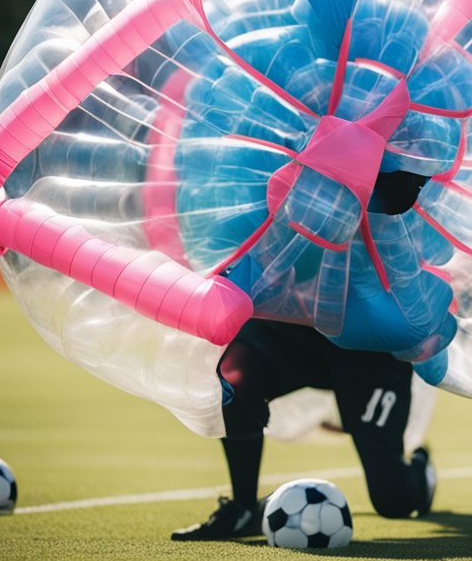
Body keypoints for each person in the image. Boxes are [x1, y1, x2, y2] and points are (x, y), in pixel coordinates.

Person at [171, 171, 436, 541]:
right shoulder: (280, 143)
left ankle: (420, 471)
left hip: (369, 341)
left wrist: (382, 185)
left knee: (393, 500)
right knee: (232, 387)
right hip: (288, 320)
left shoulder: (399, 155)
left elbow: (420, 208)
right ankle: (243, 507)